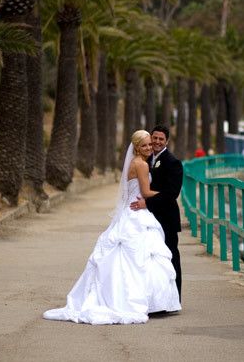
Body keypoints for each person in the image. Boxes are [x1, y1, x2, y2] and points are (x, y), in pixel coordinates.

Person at [43, 130, 181, 325]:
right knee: (140, 259)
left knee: (134, 258)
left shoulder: (136, 162)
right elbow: (146, 191)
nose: (150, 147)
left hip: (130, 211)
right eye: (145, 145)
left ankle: (139, 300)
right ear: (136, 147)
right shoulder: (141, 164)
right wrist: (167, 193)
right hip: (136, 213)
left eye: (151, 144)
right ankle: (140, 301)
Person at [130, 125, 183, 301]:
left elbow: (172, 194)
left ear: (166, 141)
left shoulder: (173, 162)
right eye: (155, 138)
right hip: (147, 219)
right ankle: (154, 299)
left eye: (161, 139)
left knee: (170, 255)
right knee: (151, 259)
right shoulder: (145, 158)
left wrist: (147, 202)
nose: (157, 142)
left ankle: (175, 298)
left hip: (166, 217)